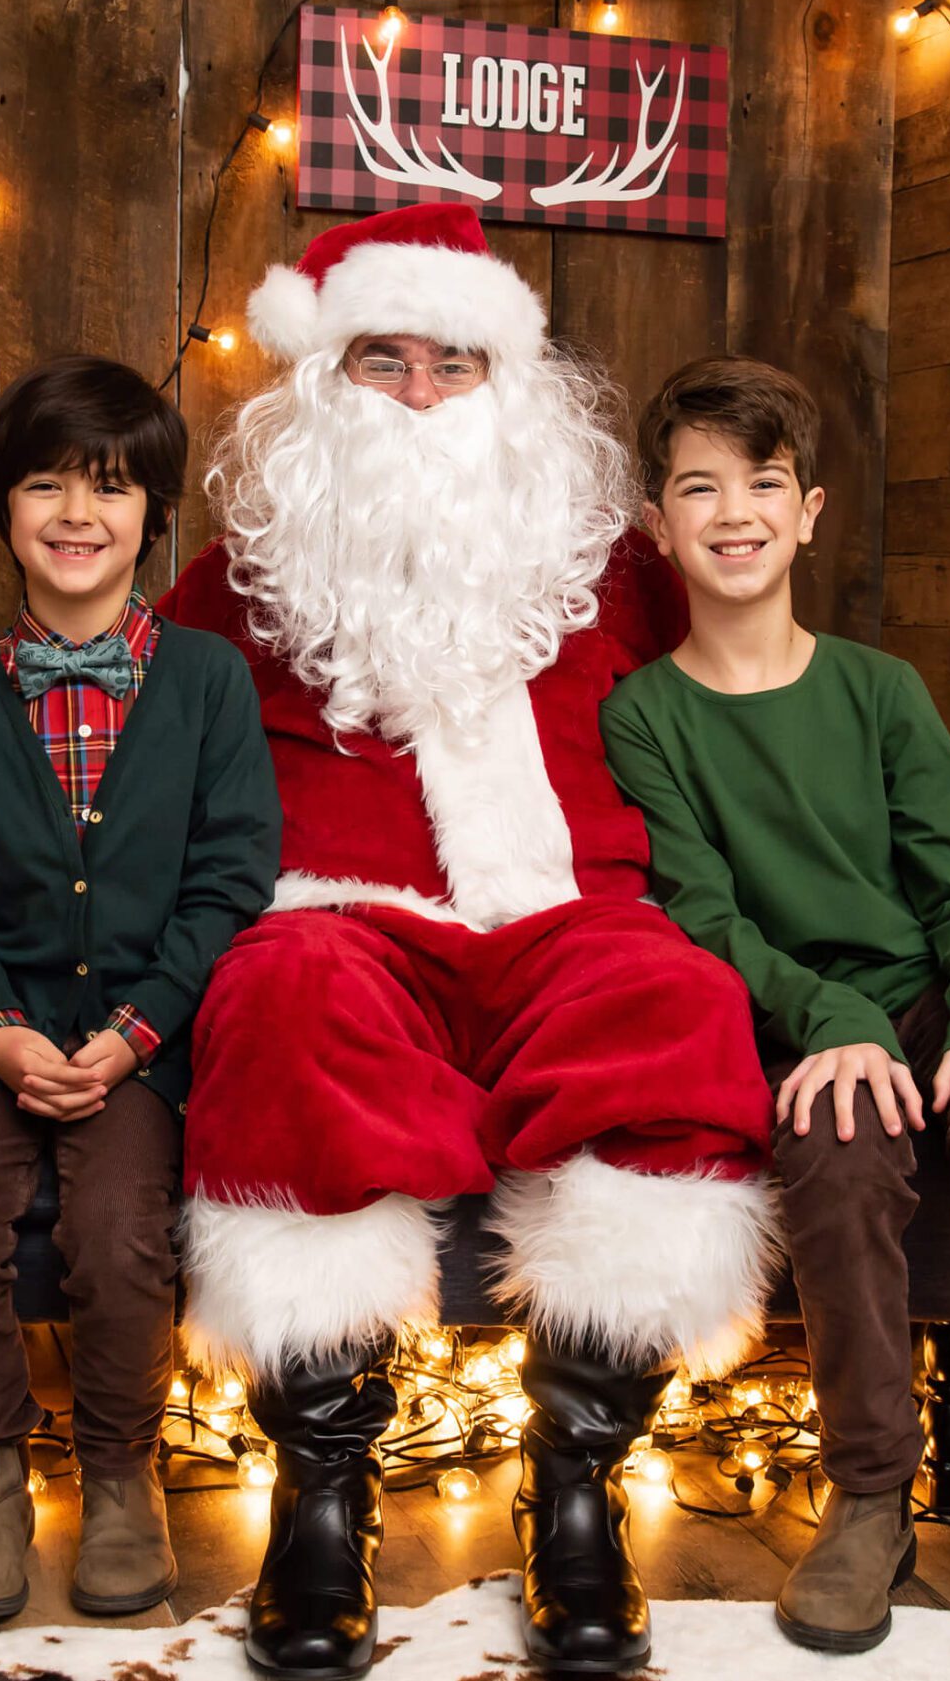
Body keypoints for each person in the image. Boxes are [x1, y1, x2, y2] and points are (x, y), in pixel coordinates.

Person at [157, 204, 777, 1680]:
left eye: (456, 361)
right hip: (340, 924)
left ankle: (578, 1493)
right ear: (324, 382)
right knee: (284, 994)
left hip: (571, 921)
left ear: (514, 383)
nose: (425, 394)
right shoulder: (232, 585)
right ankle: (322, 1496)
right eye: (384, 361)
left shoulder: (623, 572)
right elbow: (147, 780)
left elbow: (741, 724)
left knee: (682, 1004)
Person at [599, 356, 950, 1681]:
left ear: (809, 513)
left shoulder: (880, 691)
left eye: (764, 483)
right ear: (659, 525)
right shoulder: (648, 715)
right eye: (700, 487)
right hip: (787, 1016)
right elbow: (703, 913)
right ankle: (868, 1500)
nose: (734, 511)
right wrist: (827, 1017)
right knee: (842, 1161)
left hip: (923, 1000)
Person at [0, 354, 280, 1623]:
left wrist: (133, 1030)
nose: (75, 513)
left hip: (140, 1042)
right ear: (3, 507)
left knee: (119, 1238)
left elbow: (229, 881)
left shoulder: (210, 683)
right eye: (44, 484)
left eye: (107, 490)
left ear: (150, 517)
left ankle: (119, 1472)